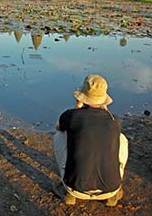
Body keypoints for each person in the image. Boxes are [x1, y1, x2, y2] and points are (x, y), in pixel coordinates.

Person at [53, 74, 128, 206]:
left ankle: (70, 194)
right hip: (111, 189)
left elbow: (59, 127)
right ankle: (112, 196)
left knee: (59, 135)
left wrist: (77, 106)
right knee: (121, 138)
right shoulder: (114, 120)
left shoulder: (72, 115)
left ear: (83, 95)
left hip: (75, 188)